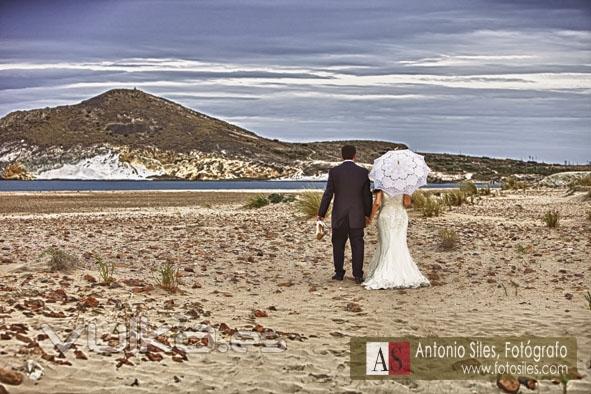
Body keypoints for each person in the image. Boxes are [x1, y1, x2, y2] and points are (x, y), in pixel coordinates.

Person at [317, 144, 372, 284]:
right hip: (357, 215)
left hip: (339, 215)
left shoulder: (334, 172)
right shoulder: (363, 172)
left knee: (338, 244)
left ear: (342, 156)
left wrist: (321, 213)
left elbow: (328, 194)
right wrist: (367, 214)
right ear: (355, 155)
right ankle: (358, 275)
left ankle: (339, 273)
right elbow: (367, 196)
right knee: (358, 245)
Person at [362, 189, 430, 289]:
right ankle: (402, 272)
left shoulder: (381, 183)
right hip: (400, 216)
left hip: (386, 215)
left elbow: (377, 203)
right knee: (400, 244)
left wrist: (370, 217)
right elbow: (407, 203)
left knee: (386, 244)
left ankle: (386, 272)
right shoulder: (404, 185)